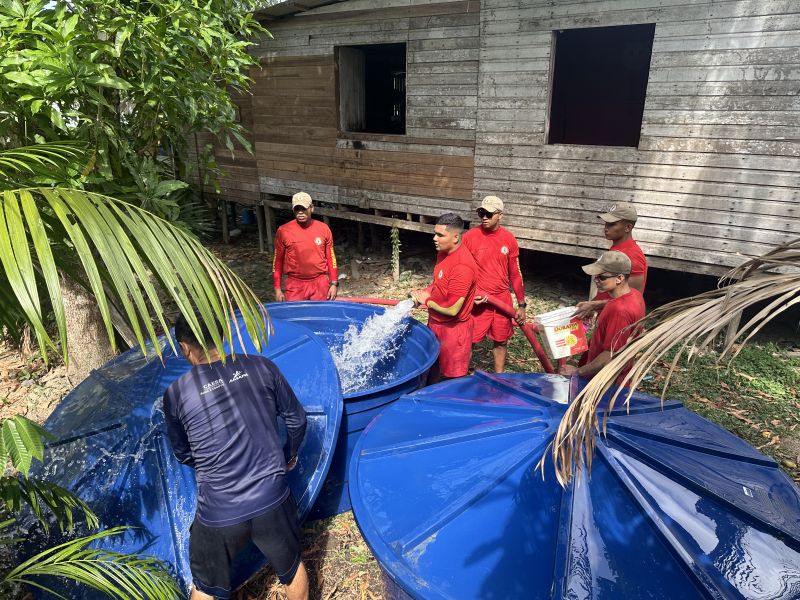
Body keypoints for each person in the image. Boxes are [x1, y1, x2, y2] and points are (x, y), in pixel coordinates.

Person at [163, 314, 309, 600]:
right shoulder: (261, 366)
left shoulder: (176, 393)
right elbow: (297, 420)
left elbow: (182, 454)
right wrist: (287, 454)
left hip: (218, 512)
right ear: (223, 334)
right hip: (272, 500)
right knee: (292, 571)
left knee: (205, 588)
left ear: (184, 348)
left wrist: (213, 463)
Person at [410, 213, 477, 383]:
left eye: (440, 235)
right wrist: (423, 292)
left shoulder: (462, 266)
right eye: (435, 233)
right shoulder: (444, 253)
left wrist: (426, 301)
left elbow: (452, 309)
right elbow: (438, 283)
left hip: (453, 331)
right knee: (431, 373)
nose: (434, 238)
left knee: (452, 382)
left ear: (456, 237)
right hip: (436, 324)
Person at [462, 195, 526, 373]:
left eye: (489, 214)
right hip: (479, 300)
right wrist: (469, 296)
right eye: (481, 213)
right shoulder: (469, 237)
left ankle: (499, 378)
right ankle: (460, 377)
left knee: (501, 340)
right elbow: (462, 270)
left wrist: (521, 304)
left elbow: (515, 273)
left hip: (501, 299)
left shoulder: (509, 239)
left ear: (500, 215)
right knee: (470, 340)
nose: (484, 217)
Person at [559, 251, 645, 383]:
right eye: (595, 276)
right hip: (619, 379)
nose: (596, 280)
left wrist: (577, 372)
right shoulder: (635, 295)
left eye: (602, 277)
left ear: (619, 278)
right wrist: (594, 305)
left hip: (603, 385)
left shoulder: (619, 311)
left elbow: (609, 357)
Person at [575, 202, 647, 318]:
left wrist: (594, 305)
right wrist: (593, 305)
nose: (606, 228)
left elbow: (630, 299)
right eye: (606, 224)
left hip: (619, 319)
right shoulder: (617, 248)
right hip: (608, 314)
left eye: (612, 224)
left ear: (628, 227)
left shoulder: (632, 255)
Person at [272, 191, 338, 302]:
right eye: (297, 209)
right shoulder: (283, 231)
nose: (300, 213)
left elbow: (331, 258)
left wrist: (334, 283)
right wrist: (277, 289)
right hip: (295, 284)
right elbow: (277, 261)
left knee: (320, 315)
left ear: (311, 208)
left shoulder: (323, 229)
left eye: (304, 209)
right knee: (295, 317)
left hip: (320, 282)